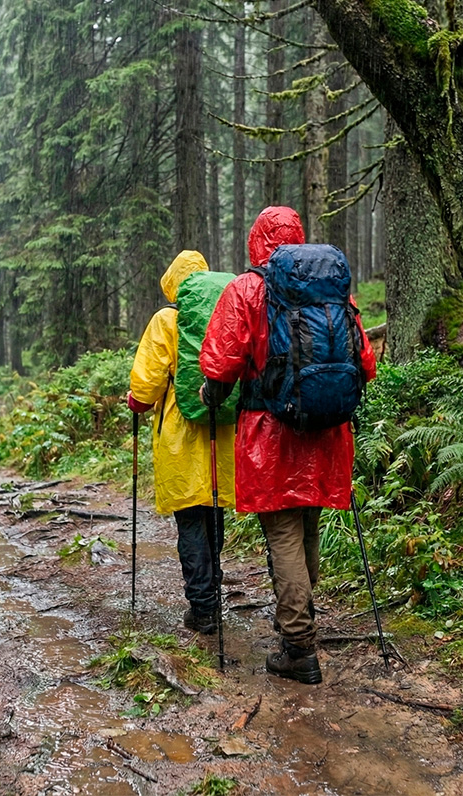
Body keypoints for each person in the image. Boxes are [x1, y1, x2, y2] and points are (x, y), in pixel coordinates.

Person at [199, 206, 377, 684]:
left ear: (256, 240)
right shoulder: (330, 291)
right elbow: (366, 361)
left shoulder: (247, 289)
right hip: (324, 430)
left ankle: (299, 647)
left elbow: (219, 366)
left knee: (282, 537)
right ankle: (297, 623)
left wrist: (210, 397)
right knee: (308, 528)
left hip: (270, 435)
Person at [128, 250, 236, 634]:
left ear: (173, 282)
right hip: (219, 433)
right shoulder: (227, 314)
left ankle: (204, 609)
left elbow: (144, 390)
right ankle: (214, 594)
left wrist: (135, 401)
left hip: (179, 437)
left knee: (190, 522)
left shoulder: (166, 320)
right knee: (213, 512)